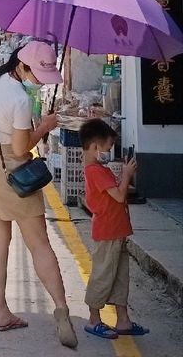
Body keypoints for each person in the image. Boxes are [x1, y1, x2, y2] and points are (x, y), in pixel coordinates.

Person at [0, 42, 78, 348]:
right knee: (40, 245)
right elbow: (20, 149)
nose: (42, 80)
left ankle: (1, 313)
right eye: (38, 73)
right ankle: (61, 311)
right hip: (11, 174)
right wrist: (43, 126)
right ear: (21, 65)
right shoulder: (20, 99)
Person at [80, 119, 149, 340]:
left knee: (120, 277)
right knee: (103, 275)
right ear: (95, 147)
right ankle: (93, 319)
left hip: (116, 230)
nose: (109, 152)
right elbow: (119, 195)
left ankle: (123, 320)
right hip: (108, 231)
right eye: (108, 148)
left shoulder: (99, 169)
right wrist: (127, 175)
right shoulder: (95, 171)